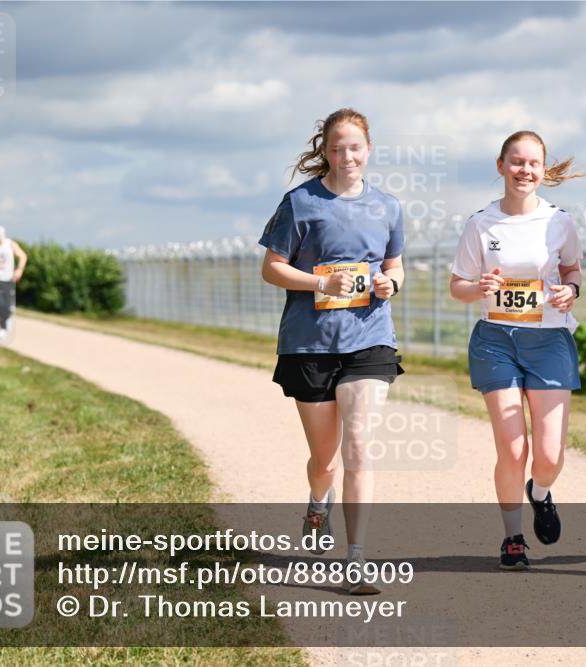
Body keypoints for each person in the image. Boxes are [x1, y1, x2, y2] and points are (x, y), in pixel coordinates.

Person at [259, 108, 405, 594]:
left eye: (355, 148)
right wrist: (321, 281)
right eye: (338, 148)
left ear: (369, 149)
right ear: (325, 151)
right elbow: (272, 268)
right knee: (324, 460)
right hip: (311, 343)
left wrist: (389, 284)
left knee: (358, 445)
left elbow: (395, 266)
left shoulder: (388, 206)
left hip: (370, 338)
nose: (347, 157)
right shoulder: (300, 203)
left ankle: (356, 557)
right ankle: (318, 501)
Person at [450, 131, 584, 570]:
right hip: (496, 340)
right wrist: (478, 287)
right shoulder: (481, 223)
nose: (525, 170)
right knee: (512, 450)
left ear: (543, 170)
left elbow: (572, 270)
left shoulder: (559, 221)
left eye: (533, 163)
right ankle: (512, 537)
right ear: (501, 166)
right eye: (517, 161)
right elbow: (458, 286)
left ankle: (540, 493)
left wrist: (570, 291)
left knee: (549, 457)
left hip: (549, 341)